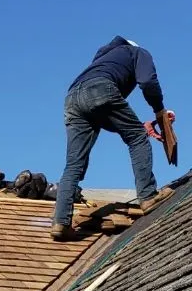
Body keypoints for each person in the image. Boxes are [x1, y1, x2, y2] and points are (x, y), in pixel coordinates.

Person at [51, 37, 174, 241]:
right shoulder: (137, 52)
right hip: (100, 91)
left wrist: (133, 125)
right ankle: (148, 196)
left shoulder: (102, 60)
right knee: (137, 138)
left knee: (73, 163)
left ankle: (60, 222)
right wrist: (159, 110)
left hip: (73, 98)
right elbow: (147, 81)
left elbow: (104, 113)